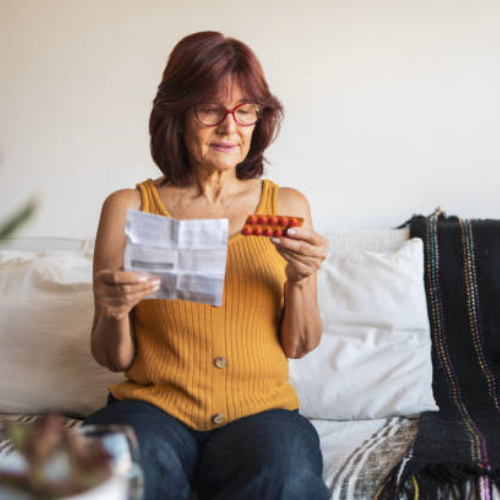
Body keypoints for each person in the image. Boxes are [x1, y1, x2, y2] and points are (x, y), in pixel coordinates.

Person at [84, 31, 329, 500]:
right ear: (176, 114)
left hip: (262, 414)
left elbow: (299, 345)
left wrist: (301, 279)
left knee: (288, 480)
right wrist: (113, 310)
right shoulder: (129, 207)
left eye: (245, 110)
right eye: (210, 109)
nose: (229, 127)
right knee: (117, 474)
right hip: (151, 411)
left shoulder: (288, 205)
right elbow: (112, 358)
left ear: (260, 117)